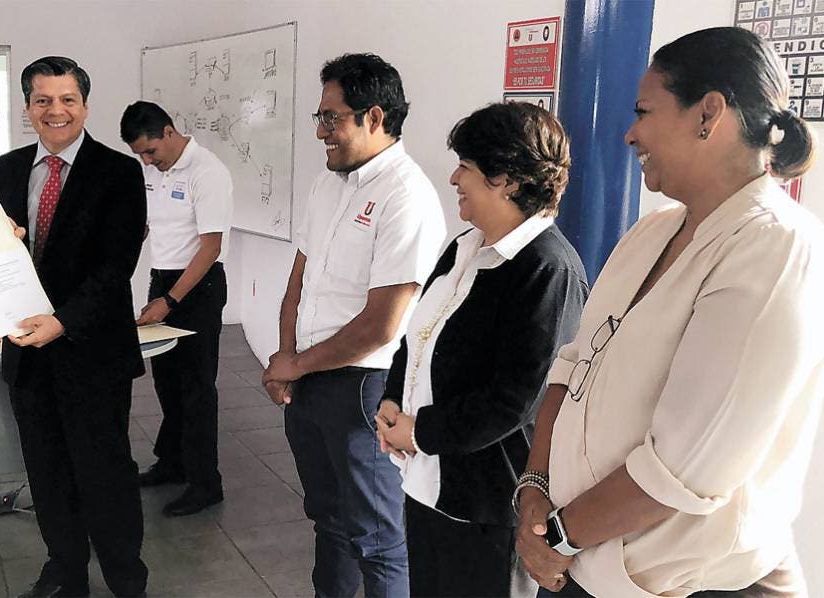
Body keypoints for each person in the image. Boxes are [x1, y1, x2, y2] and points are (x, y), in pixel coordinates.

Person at [515, 27, 824, 597]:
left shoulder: (773, 246)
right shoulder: (654, 230)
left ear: (708, 113)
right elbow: (573, 365)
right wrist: (533, 487)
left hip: (685, 583)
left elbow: (684, 469)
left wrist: (553, 536)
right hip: (579, 554)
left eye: (644, 111)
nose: (630, 132)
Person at [376, 103, 588, 597]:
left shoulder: (547, 270)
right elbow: (419, 335)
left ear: (507, 180)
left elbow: (515, 401)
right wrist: (393, 400)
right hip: (430, 482)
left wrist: (419, 431)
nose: (454, 178)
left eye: (466, 167)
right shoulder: (465, 248)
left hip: (488, 503)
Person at [263, 53, 446, 597]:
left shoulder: (406, 195)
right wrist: (284, 357)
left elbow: (382, 325)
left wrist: (295, 364)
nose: (321, 132)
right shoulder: (328, 185)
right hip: (310, 379)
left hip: (364, 387)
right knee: (328, 518)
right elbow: (299, 278)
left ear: (374, 117)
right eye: (319, 118)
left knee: (376, 537)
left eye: (331, 118)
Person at [0, 56, 149, 598]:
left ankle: (126, 577)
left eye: (66, 100)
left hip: (92, 351)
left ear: (84, 105)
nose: (55, 110)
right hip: (27, 353)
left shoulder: (119, 171)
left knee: (104, 472)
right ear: (27, 107)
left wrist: (61, 322)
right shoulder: (9, 168)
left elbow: (116, 266)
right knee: (47, 472)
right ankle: (65, 570)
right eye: (42, 100)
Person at [119, 101, 233, 516]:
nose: (148, 161)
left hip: (197, 287)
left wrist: (170, 301)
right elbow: (146, 226)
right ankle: (173, 463)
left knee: (196, 388)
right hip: (163, 281)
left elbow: (210, 247)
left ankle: (206, 484)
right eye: (140, 155)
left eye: (150, 151)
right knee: (167, 382)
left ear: (169, 132)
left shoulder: (207, 172)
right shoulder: (154, 172)